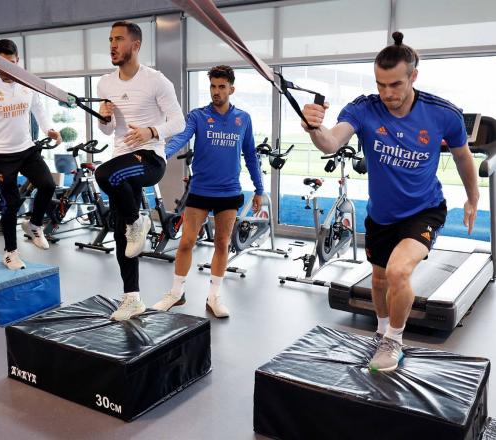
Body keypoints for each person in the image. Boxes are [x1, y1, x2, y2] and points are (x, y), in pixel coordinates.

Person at [300, 32, 478, 372]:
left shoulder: (442, 114)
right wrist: (313, 127)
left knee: (398, 272)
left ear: (414, 76)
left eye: (395, 84)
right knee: (379, 281)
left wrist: (473, 198)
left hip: (424, 209)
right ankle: (382, 332)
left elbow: (463, 158)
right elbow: (330, 143)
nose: (387, 94)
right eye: (381, 85)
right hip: (381, 214)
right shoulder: (364, 108)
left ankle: (394, 340)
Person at [152, 65, 263, 318]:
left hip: (229, 191)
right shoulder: (198, 116)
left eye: (221, 86)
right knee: (186, 242)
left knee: (222, 244)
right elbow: (182, 137)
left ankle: (214, 297)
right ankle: (176, 293)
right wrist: (163, 154)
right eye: (213, 86)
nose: (216, 91)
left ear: (231, 89)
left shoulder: (243, 118)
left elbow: (251, 155)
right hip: (201, 189)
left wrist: (259, 188)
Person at [94, 21, 185, 320]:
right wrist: (105, 118)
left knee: (104, 174)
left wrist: (151, 131)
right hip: (123, 159)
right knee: (122, 235)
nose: (112, 44)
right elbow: (107, 132)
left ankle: (138, 221)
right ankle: (132, 298)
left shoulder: (156, 81)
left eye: (118, 39)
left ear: (135, 45)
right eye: (110, 39)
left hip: (149, 159)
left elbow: (178, 122)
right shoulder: (105, 83)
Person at [0, 39, 61, 270]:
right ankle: (10, 252)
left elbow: (38, 108)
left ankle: (35, 225)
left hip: (27, 149)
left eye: (12, 64)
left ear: (18, 62)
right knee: (12, 203)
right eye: (0, 64)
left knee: (47, 185)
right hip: (1, 155)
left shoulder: (27, 81)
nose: (7, 69)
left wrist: (49, 129)